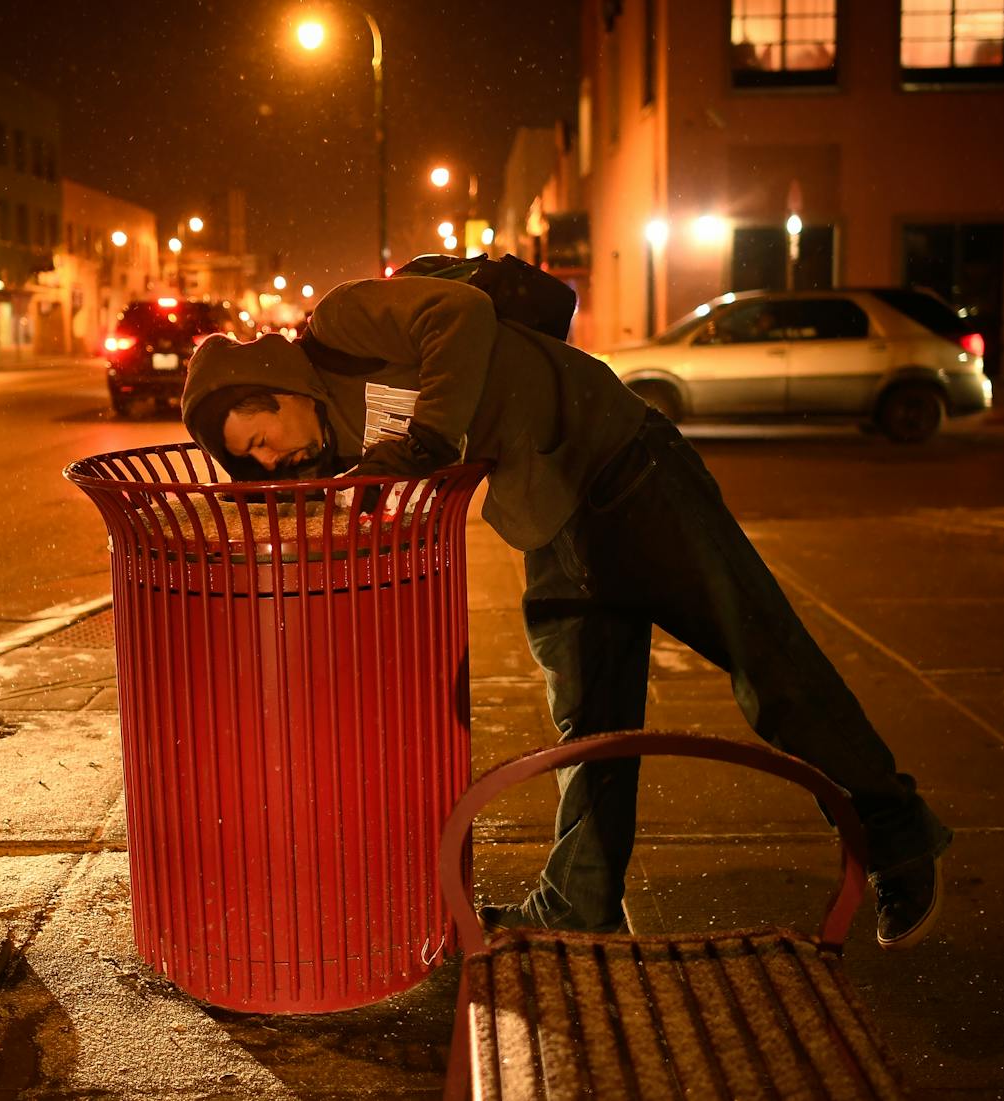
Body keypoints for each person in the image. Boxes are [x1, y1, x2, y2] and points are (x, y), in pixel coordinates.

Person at [181, 272, 951, 950]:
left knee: (767, 660)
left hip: (627, 468)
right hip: (552, 523)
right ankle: (582, 905)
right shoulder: (344, 451)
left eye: (260, 436)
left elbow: (460, 313)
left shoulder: (340, 324)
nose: (268, 460)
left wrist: (428, 435)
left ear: (279, 382)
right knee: (591, 726)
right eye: (249, 462)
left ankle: (897, 833)